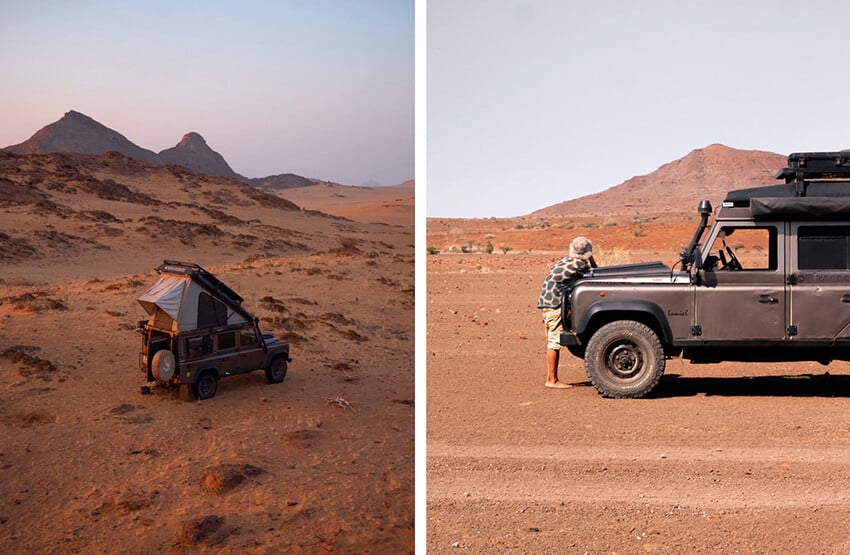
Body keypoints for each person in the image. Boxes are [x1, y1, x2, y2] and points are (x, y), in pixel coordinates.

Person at [537, 236, 597, 389]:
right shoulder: (579, 266)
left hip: (547, 302)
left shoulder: (564, 261)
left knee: (553, 340)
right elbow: (595, 275)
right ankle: (551, 380)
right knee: (554, 342)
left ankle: (552, 378)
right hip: (555, 305)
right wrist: (591, 258)